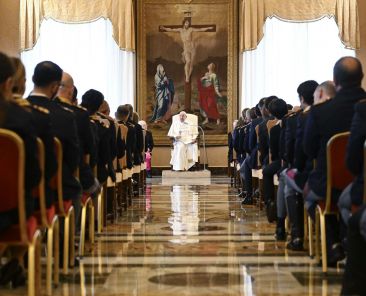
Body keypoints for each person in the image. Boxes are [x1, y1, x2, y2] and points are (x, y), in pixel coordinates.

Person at [303, 56, 366, 265]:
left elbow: (308, 149)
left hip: (330, 183)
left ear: (335, 81)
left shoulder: (320, 112)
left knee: (309, 195)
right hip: (361, 181)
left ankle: (333, 243)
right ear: (362, 77)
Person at [160, 18, 214, 82]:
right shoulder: (180, 30)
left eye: (188, 23)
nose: (187, 24)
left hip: (192, 47)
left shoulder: (190, 29)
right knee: (188, 61)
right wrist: (164, 28)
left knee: (191, 63)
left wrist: (209, 28)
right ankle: (187, 77)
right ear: (183, 23)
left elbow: (200, 29)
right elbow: (171, 29)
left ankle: (188, 76)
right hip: (186, 48)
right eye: (186, 23)